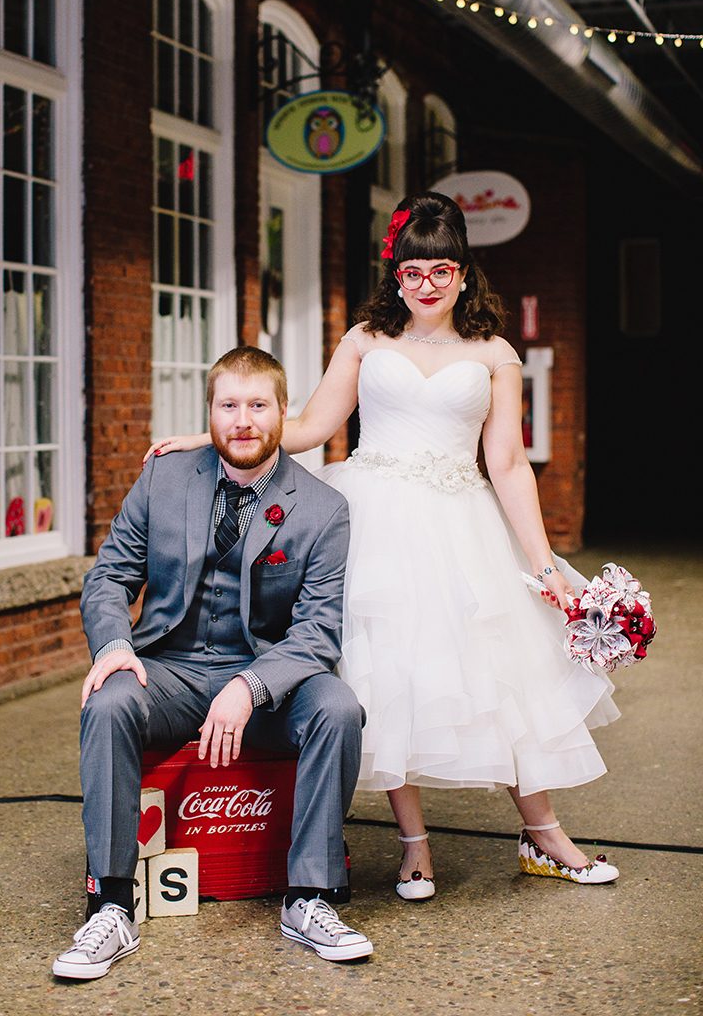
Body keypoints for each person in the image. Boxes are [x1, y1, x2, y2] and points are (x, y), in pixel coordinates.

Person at [146, 193, 621, 900]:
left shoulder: (495, 354)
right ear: (396, 275)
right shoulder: (366, 339)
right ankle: (413, 846)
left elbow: (508, 464)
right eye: (412, 271)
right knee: (385, 677)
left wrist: (542, 563)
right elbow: (310, 427)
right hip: (374, 522)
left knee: (500, 677)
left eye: (440, 270)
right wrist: (214, 439)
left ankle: (543, 834)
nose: (426, 285)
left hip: (463, 527)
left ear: (463, 273)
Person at [53, 346, 372, 981]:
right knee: (110, 700)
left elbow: (317, 631)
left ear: (283, 411)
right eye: (229, 405)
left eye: (258, 405)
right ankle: (111, 905)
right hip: (169, 670)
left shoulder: (322, 508)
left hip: (264, 677)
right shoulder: (164, 479)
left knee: (338, 707)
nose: (243, 421)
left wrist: (252, 685)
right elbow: (109, 577)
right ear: (210, 412)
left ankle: (309, 897)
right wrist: (115, 647)